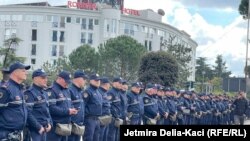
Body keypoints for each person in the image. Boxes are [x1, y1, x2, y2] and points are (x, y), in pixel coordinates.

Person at [0, 62, 30, 140]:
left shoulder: (20, 89)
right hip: (6, 135)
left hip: (18, 135)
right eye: (23, 71)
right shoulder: (5, 89)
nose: (26, 73)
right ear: (15, 72)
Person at [47, 70, 78, 141]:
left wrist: (73, 109)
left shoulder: (67, 90)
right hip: (56, 127)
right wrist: (67, 111)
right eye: (66, 81)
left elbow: (70, 104)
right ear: (59, 79)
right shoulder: (51, 90)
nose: (67, 84)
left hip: (66, 126)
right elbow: (51, 108)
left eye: (68, 82)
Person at [24, 69, 52, 141]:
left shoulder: (44, 92)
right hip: (34, 130)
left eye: (46, 78)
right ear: (35, 79)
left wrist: (49, 123)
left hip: (44, 129)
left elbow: (47, 110)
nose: (46, 80)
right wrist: (38, 127)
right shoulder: (29, 93)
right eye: (43, 78)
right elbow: (28, 113)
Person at [68, 70, 88, 141]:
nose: (85, 81)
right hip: (72, 126)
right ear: (78, 79)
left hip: (79, 125)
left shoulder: (80, 91)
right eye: (84, 79)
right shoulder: (70, 90)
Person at [83, 73, 102, 141]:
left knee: (96, 138)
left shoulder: (98, 92)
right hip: (89, 119)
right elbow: (83, 106)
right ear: (91, 81)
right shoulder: (87, 91)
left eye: (99, 80)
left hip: (97, 119)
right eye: (96, 80)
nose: (98, 82)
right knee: (88, 138)